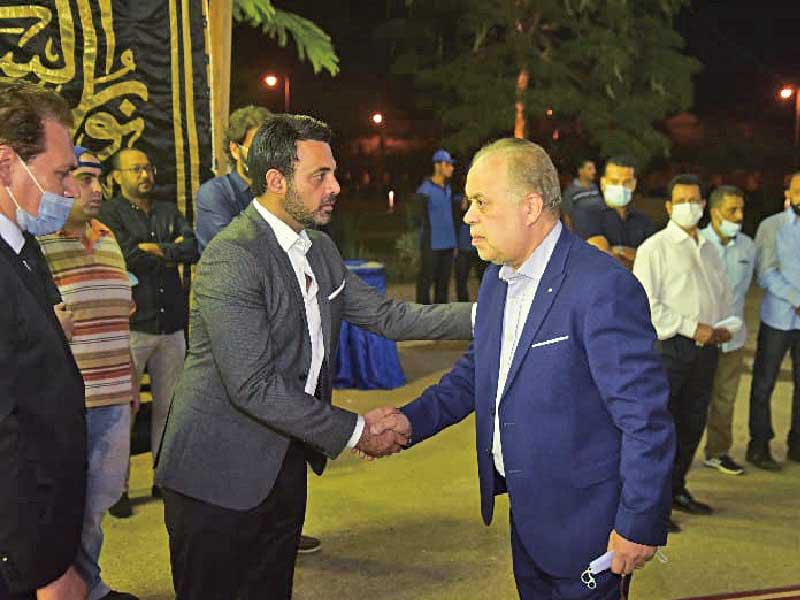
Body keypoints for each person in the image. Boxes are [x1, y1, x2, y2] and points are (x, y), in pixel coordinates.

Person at [154, 114, 474, 600]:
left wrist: (490, 313)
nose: (336, 187)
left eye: (334, 173)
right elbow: (253, 386)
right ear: (276, 181)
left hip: (283, 466)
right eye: (319, 176)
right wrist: (358, 431)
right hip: (216, 478)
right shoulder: (233, 256)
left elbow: (389, 317)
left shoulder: (319, 248)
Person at [369, 138, 675, 599]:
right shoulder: (498, 278)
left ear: (530, 206)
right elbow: (478, 372)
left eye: (481, 202)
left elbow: (645, 418)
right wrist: (410, 420)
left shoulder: (601, 287)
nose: (468, 216)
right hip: (529, 521)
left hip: (588, 528)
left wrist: (638, 523)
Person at [38, 147, 139, 600]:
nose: (96, 190)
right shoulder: (40, 243)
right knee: (66, 506)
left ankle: (88, 583)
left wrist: (131, 378)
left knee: (98, 503)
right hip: (70, 401)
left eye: (99, 180)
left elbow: (121, 318)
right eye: (83, 179)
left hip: (114, 394)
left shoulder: (108, 236)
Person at [0, 80, 87, 599]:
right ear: (5, 164)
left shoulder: (25, 249)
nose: (71, 191)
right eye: (61, 173)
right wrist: (39, 567)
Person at [99, 147, 199, 517]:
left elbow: (193, 247)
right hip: (131, 326)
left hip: (170, 325)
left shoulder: (167, 210)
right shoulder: (109, 214)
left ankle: (164, 479)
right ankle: (117, 490)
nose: (145, 175)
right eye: (136, 169)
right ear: (117, 177)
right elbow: (124, 255)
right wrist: (167, 251)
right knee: (123, 412)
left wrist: (155, 250)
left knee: (169, 409)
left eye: (148, 167)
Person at [633, 174, 736, 529]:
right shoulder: (654, 248)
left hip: (706, 349)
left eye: (694, 200)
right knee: (662, 429)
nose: (689, 207)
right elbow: (648, 305)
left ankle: (676, 489)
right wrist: (693, 328)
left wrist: (725, 325)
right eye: (681, 201)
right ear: (668, 207)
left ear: (704, 206)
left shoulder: (708, 248)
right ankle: (652, 507)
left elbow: (722, 294)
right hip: (671, 350)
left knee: (692, 424)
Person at [699, 186, 755, 476]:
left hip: (732, 338)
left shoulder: (747, 246)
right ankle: (675, 456)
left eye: (741, 209)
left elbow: (743, 290)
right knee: (691, 401)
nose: (739, 216)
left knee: (725, 399)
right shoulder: (698, 243)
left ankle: (718, 452)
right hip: (700, 337)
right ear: (715, 212)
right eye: (732, 210)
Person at [747, 172, 800, 470]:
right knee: (764, 384)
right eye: (798, 190)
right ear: (788, 193)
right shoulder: (772, 226)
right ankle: (759, 445)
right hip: (778, 319)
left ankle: (797, 443)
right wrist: (796, 299)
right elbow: (766, 272)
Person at [195, 105, 270, 251]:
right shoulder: (215, 193)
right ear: (235, 150)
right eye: (255, 148)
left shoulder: (279, 191)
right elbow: (230, 250)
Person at [574, 156, 657, 269]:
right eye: (614, 182)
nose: (620, 187)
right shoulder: (587, 214)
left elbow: (655, 261)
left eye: (626, 182)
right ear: (603, 183)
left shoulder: (644, 221)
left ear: (634, 184)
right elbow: (602, 260)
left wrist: (618, 250)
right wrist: (636, 256)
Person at [416, 148, 458, 304]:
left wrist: (455, 243)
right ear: (438, 166)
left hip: (448, 244)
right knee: (425, 282)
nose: (451, 168)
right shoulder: (425, 191)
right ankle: (422, 314)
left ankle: (441, 315)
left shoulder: (448, 188)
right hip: (432, 245)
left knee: (443, 285)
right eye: (448, 165)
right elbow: (419, 220)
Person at [561, 158, 603, 223]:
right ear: (580, 171)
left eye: (594, 168)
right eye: (590, 169)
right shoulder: (571, 190)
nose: (594, 172)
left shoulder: (595, 187)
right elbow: (566, 215)